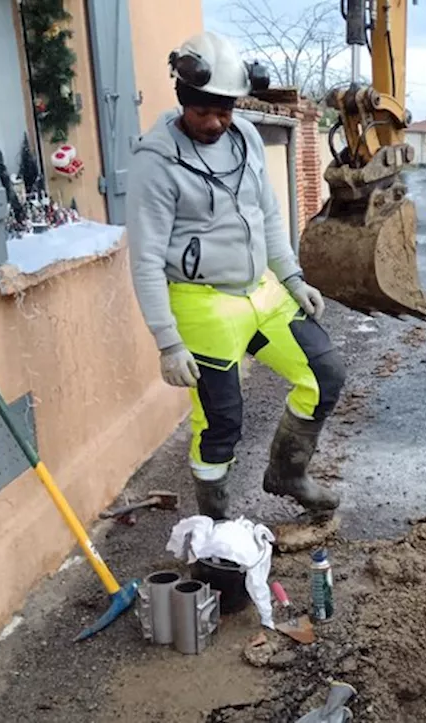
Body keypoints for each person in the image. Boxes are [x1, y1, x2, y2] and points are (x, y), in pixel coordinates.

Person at [125, 31, 346, 521]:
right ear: (184, 98)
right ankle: (216, 524)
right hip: (201, 303)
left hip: (262, 293)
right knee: (220, 421)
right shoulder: (155, 163)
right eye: (204, 111)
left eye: (224, 110)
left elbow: (267, 215)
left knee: (324, 374)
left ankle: (288, 474)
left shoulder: (244, 137)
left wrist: (292, 278)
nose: (216, 122)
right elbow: (144, 259)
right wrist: (168, 342)